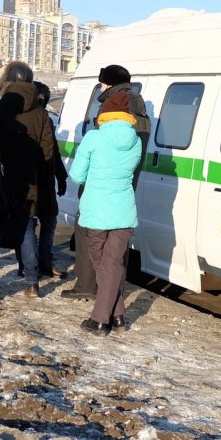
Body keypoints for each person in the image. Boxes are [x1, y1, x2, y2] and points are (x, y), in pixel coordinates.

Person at [62, 64, 150, 300]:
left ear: (108, 83)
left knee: (86, 232)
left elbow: (103, 150)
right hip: (124, 185)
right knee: (117, 245)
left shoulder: (116, 105)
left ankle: (88, 286)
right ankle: (113, 293)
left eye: (101, 83)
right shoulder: (138, 107)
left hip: (101, 185)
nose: (100, 87)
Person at [0, 61, 55, 297]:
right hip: (29, 180)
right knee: (27, 229)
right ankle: (31, 283)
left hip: (0, 179)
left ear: (6, 81)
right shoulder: (41, 113)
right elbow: (47, 153)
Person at [68, 91, 142, 333]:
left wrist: (95, 177)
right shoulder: (137, 140)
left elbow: (77, 175)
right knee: (111, 264)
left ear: (104, 115)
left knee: (103, 264)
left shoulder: (93, 138)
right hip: (124, 212)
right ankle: (118, 314)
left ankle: (100, 320)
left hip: (97, 212)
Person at [33, 81, 68, 280]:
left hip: (45, 181)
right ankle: (30, 265)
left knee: (48, 222)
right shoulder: (21, 116)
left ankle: (45, 262)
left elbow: (53, 150)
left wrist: (61, 177)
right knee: (30, 225)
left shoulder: (46, 118)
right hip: (29, 181)